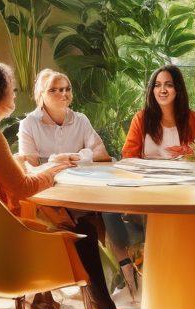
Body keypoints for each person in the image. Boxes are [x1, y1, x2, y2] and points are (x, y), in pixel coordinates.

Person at [0, 60, 139, 309]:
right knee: (83, 231)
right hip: (3, 244)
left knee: (75, 224)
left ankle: (48, 303)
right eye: (11, 89)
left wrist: (20, 160)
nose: (14, 95)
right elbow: (22, 188)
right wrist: (55, 167)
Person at [18, 69, 139, 297]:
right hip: (50, 198)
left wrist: (79, 156)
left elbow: (101, 153)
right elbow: (30, 166)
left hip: (84, 190)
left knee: (110, 210)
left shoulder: (80, 119)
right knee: (97, 220)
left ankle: (126, 279)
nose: (62, 94)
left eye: (66, 89)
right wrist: (54, 161)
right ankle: (118, 280)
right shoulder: (29, 124)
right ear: (40, 94)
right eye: (54, 90)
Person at [121, 65, 195, 159]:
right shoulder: (141, 118)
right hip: (147, 173)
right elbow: (129, 155)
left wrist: (186, 151)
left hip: (182, 173)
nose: (162, 90)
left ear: (178, 89)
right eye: (157, 85)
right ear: (152, 90)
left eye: (169, 85)